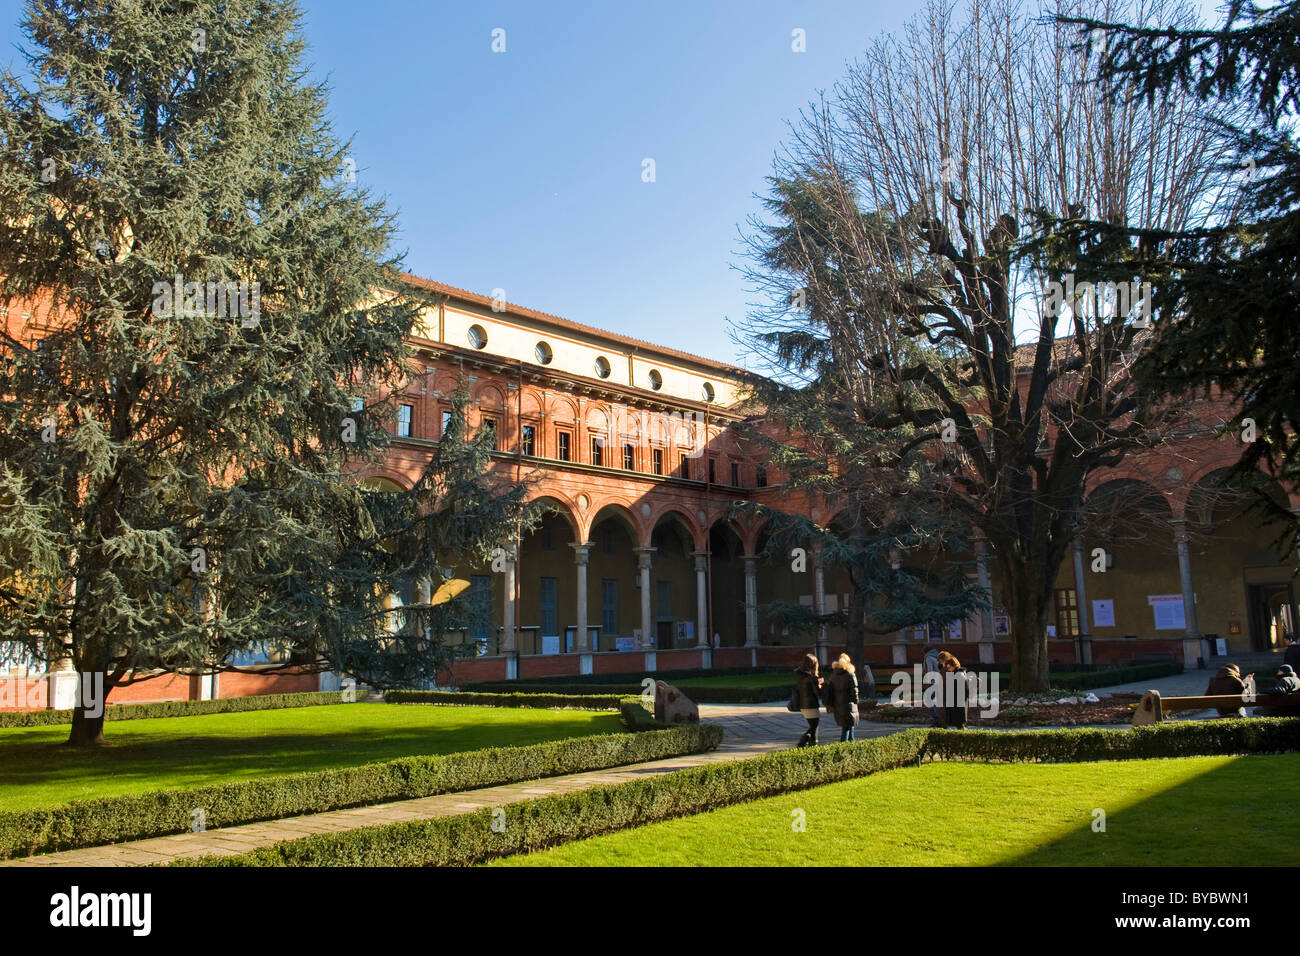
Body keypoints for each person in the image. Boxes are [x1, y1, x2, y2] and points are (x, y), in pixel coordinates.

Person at [823, 653, 861, 742]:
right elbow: (854, 690)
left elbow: (830, 691)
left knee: (848, 725)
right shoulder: (850, 674)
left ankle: (851, 742)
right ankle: (843, 744)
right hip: (849, 704)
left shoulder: (834, 675)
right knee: (847, 727)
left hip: (838, 704)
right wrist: (856, 701)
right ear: (848, 662)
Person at [793, 653, 824, 747]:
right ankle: (802, 743)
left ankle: (812, 745)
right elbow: (817, 693)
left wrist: (817, 683)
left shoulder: (802, 677)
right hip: (811, 705)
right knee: (814, 727)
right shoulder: (812, 678)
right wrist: (820, 686)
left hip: (803, 705)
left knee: (813, 726)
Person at [941, 653, 970, 729]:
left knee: (960, 722)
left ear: (954, 665)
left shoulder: (959, 674)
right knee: (959, 722)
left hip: (959, 701)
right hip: (957, 701)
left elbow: (965, 689)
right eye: (947, 667)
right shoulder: (956, 673)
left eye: (949, 667)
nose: (948, 669)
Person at [922, 646, 943, 725]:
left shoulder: (928, 658)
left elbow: (930, 671)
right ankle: (943, 718)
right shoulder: (937, 656)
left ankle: (936, 719)